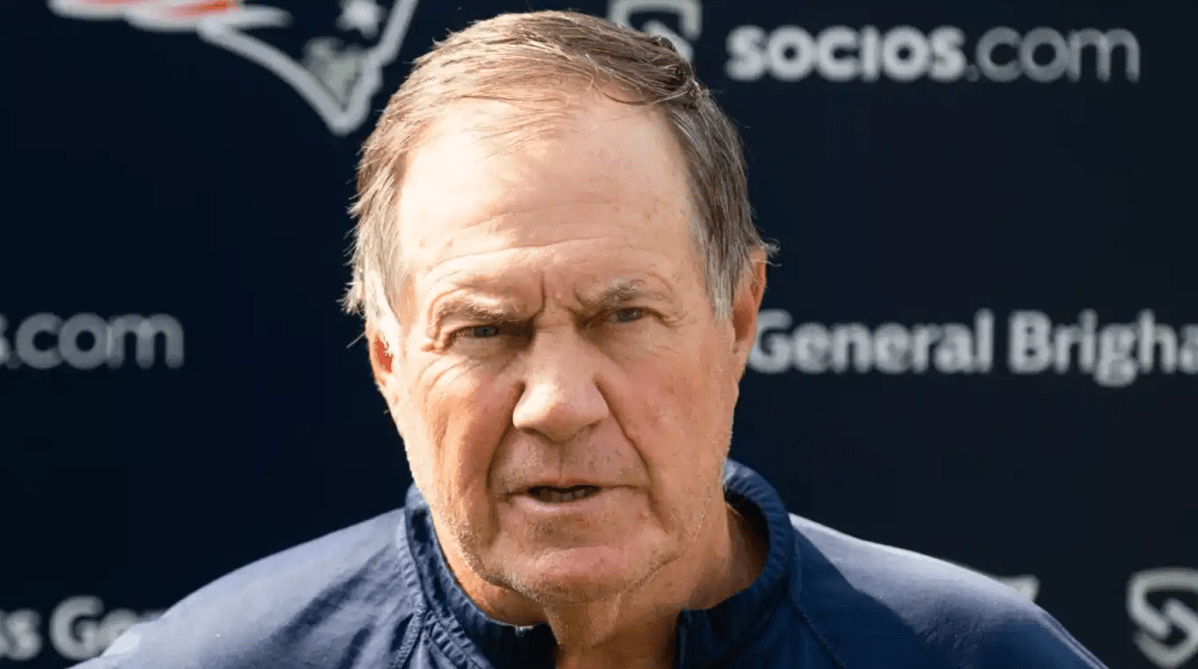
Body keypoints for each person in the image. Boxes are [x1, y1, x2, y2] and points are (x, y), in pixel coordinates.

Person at [74, 10, 1107, 669]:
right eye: (486, 328)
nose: (559, 403)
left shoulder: (980, 656)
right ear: (389, 357)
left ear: (737, 319)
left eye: (623, 316)